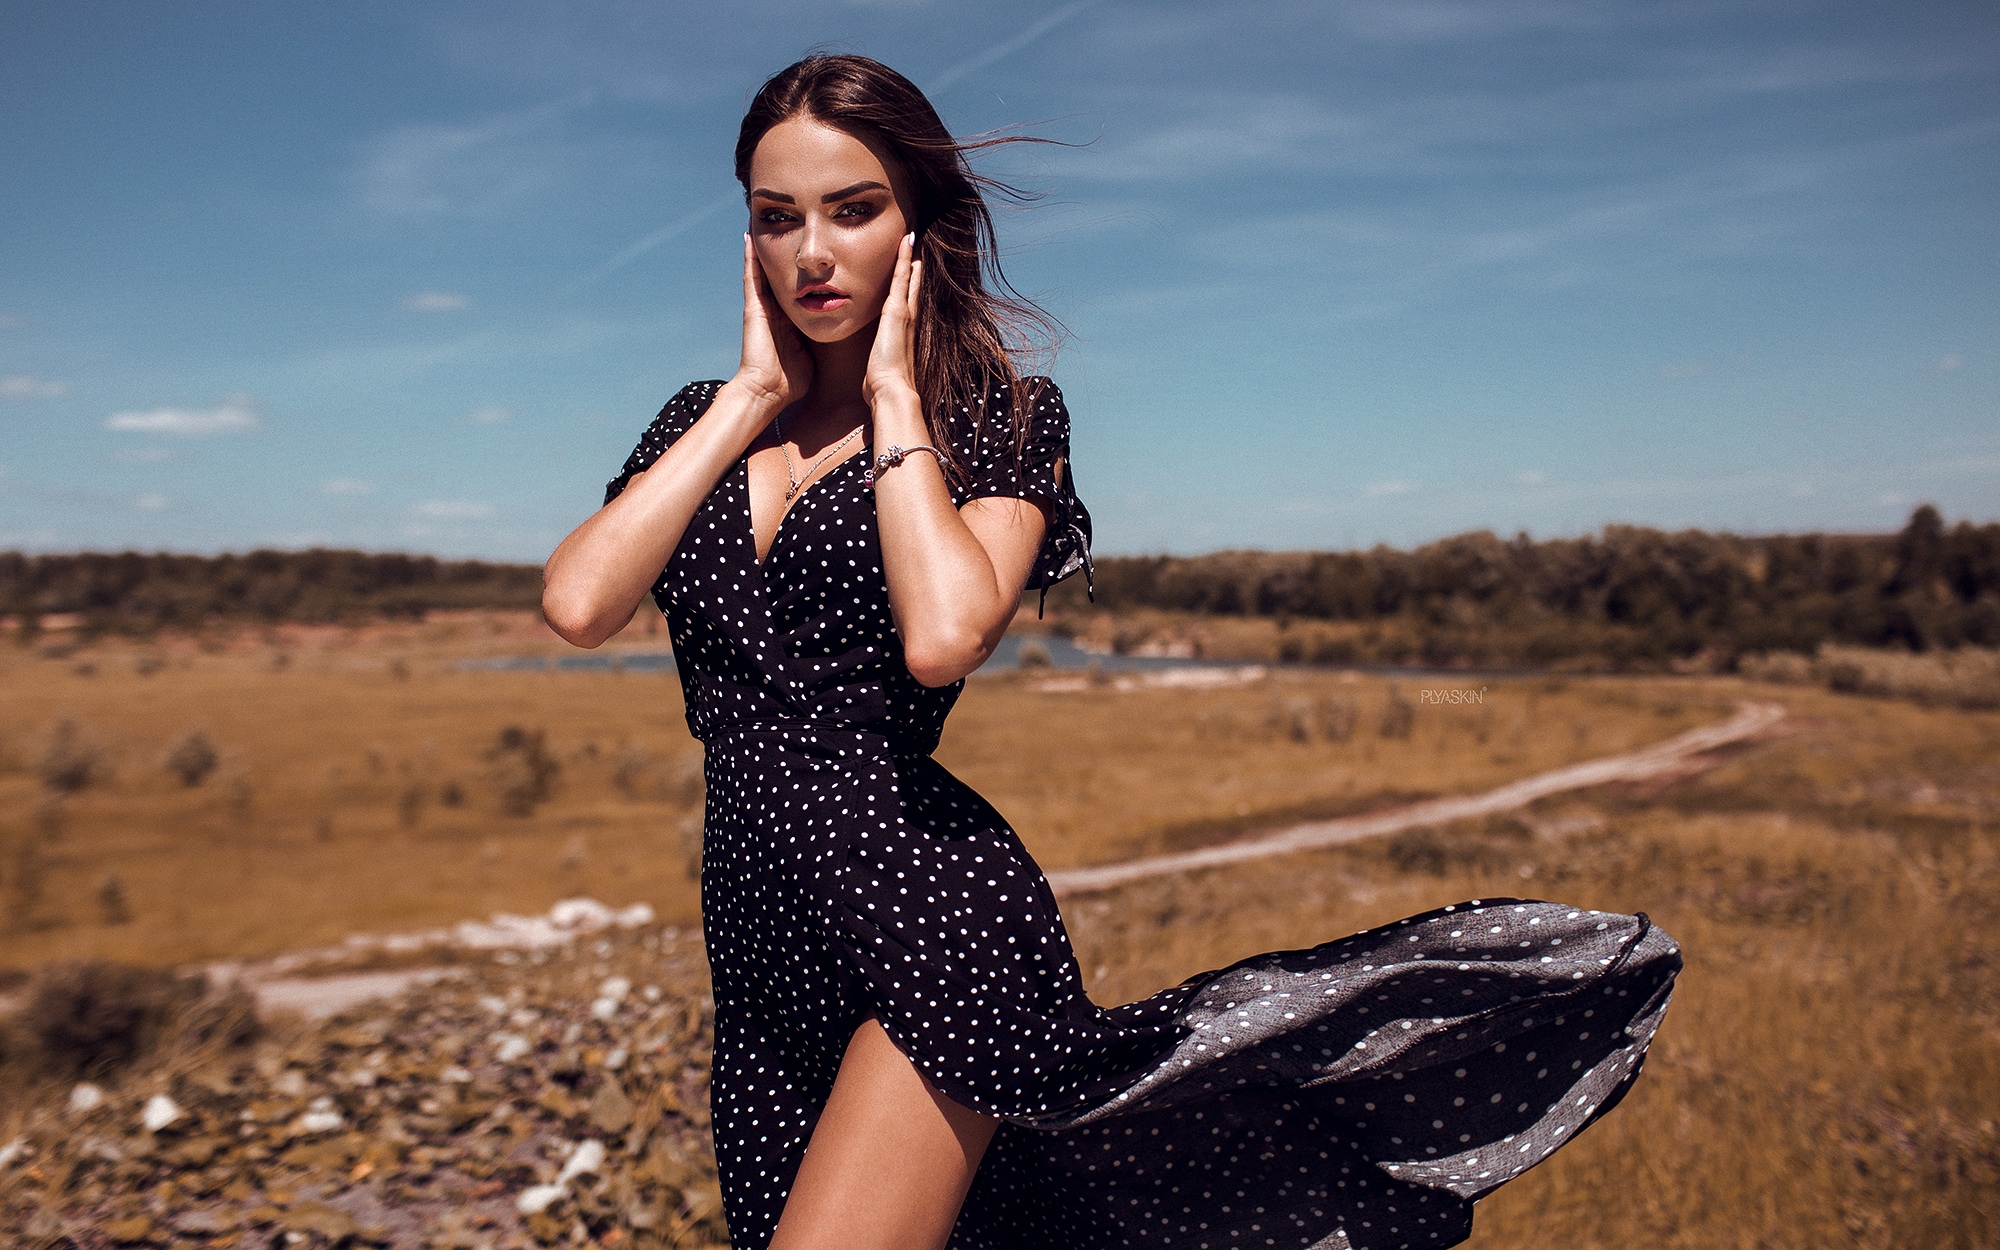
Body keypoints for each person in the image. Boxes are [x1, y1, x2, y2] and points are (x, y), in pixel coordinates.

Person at [543, 54, 1680, 1250]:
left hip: (929, 927)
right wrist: (742, 398)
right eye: (776, 219)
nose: (811, 251)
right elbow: (578, 602)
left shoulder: (1004, 420)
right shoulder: (698, 423)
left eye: (853, 208)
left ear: (920, 223)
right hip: (761, 951)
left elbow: (942, 638)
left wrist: (891, 400)